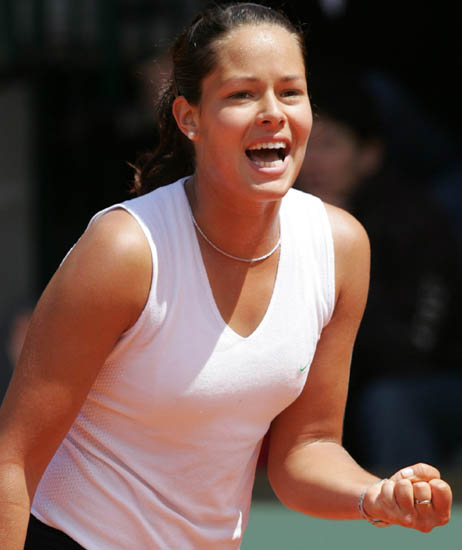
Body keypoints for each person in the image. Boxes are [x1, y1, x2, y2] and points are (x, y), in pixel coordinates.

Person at [0, 3, 452, 549]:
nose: (273, 113)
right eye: (242, 94)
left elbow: (304, 450)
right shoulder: (125, 250)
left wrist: (374, 496)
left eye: (290, 92)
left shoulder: (341, 246)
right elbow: (13, 460)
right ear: (190, 118)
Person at [296, 68, 461, 470]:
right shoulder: (274, 220)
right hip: (335, 401)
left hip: (431, 385)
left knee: (390, 401)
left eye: (329, 144)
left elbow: (413, 351)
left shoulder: (415, 222)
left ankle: (403, 524)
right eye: (303, 145)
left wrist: (338, 248)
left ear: (368, 155)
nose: (312, 161)